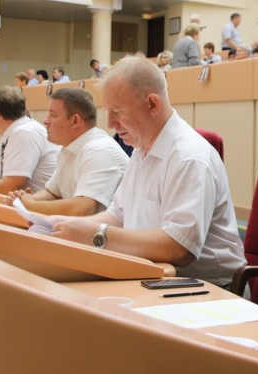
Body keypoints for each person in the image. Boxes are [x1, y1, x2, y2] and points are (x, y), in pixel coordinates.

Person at [51, 58, 245, 286]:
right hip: (155, 278)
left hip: (211, 291)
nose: (110, 123)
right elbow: (118, 216)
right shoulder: (141, 148)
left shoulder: (189, 157)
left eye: (117, 111)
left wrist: (96, 234)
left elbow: (178, 248)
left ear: (153, 104)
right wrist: (64, 225)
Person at [3, 88, 129, 216]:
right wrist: (24, 199)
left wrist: (31, 205)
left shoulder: (99, 151)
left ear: (75, 121)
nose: (46, 121)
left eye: (53, 115)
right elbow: (53, 193)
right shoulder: (67, 149)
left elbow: (82, 208)